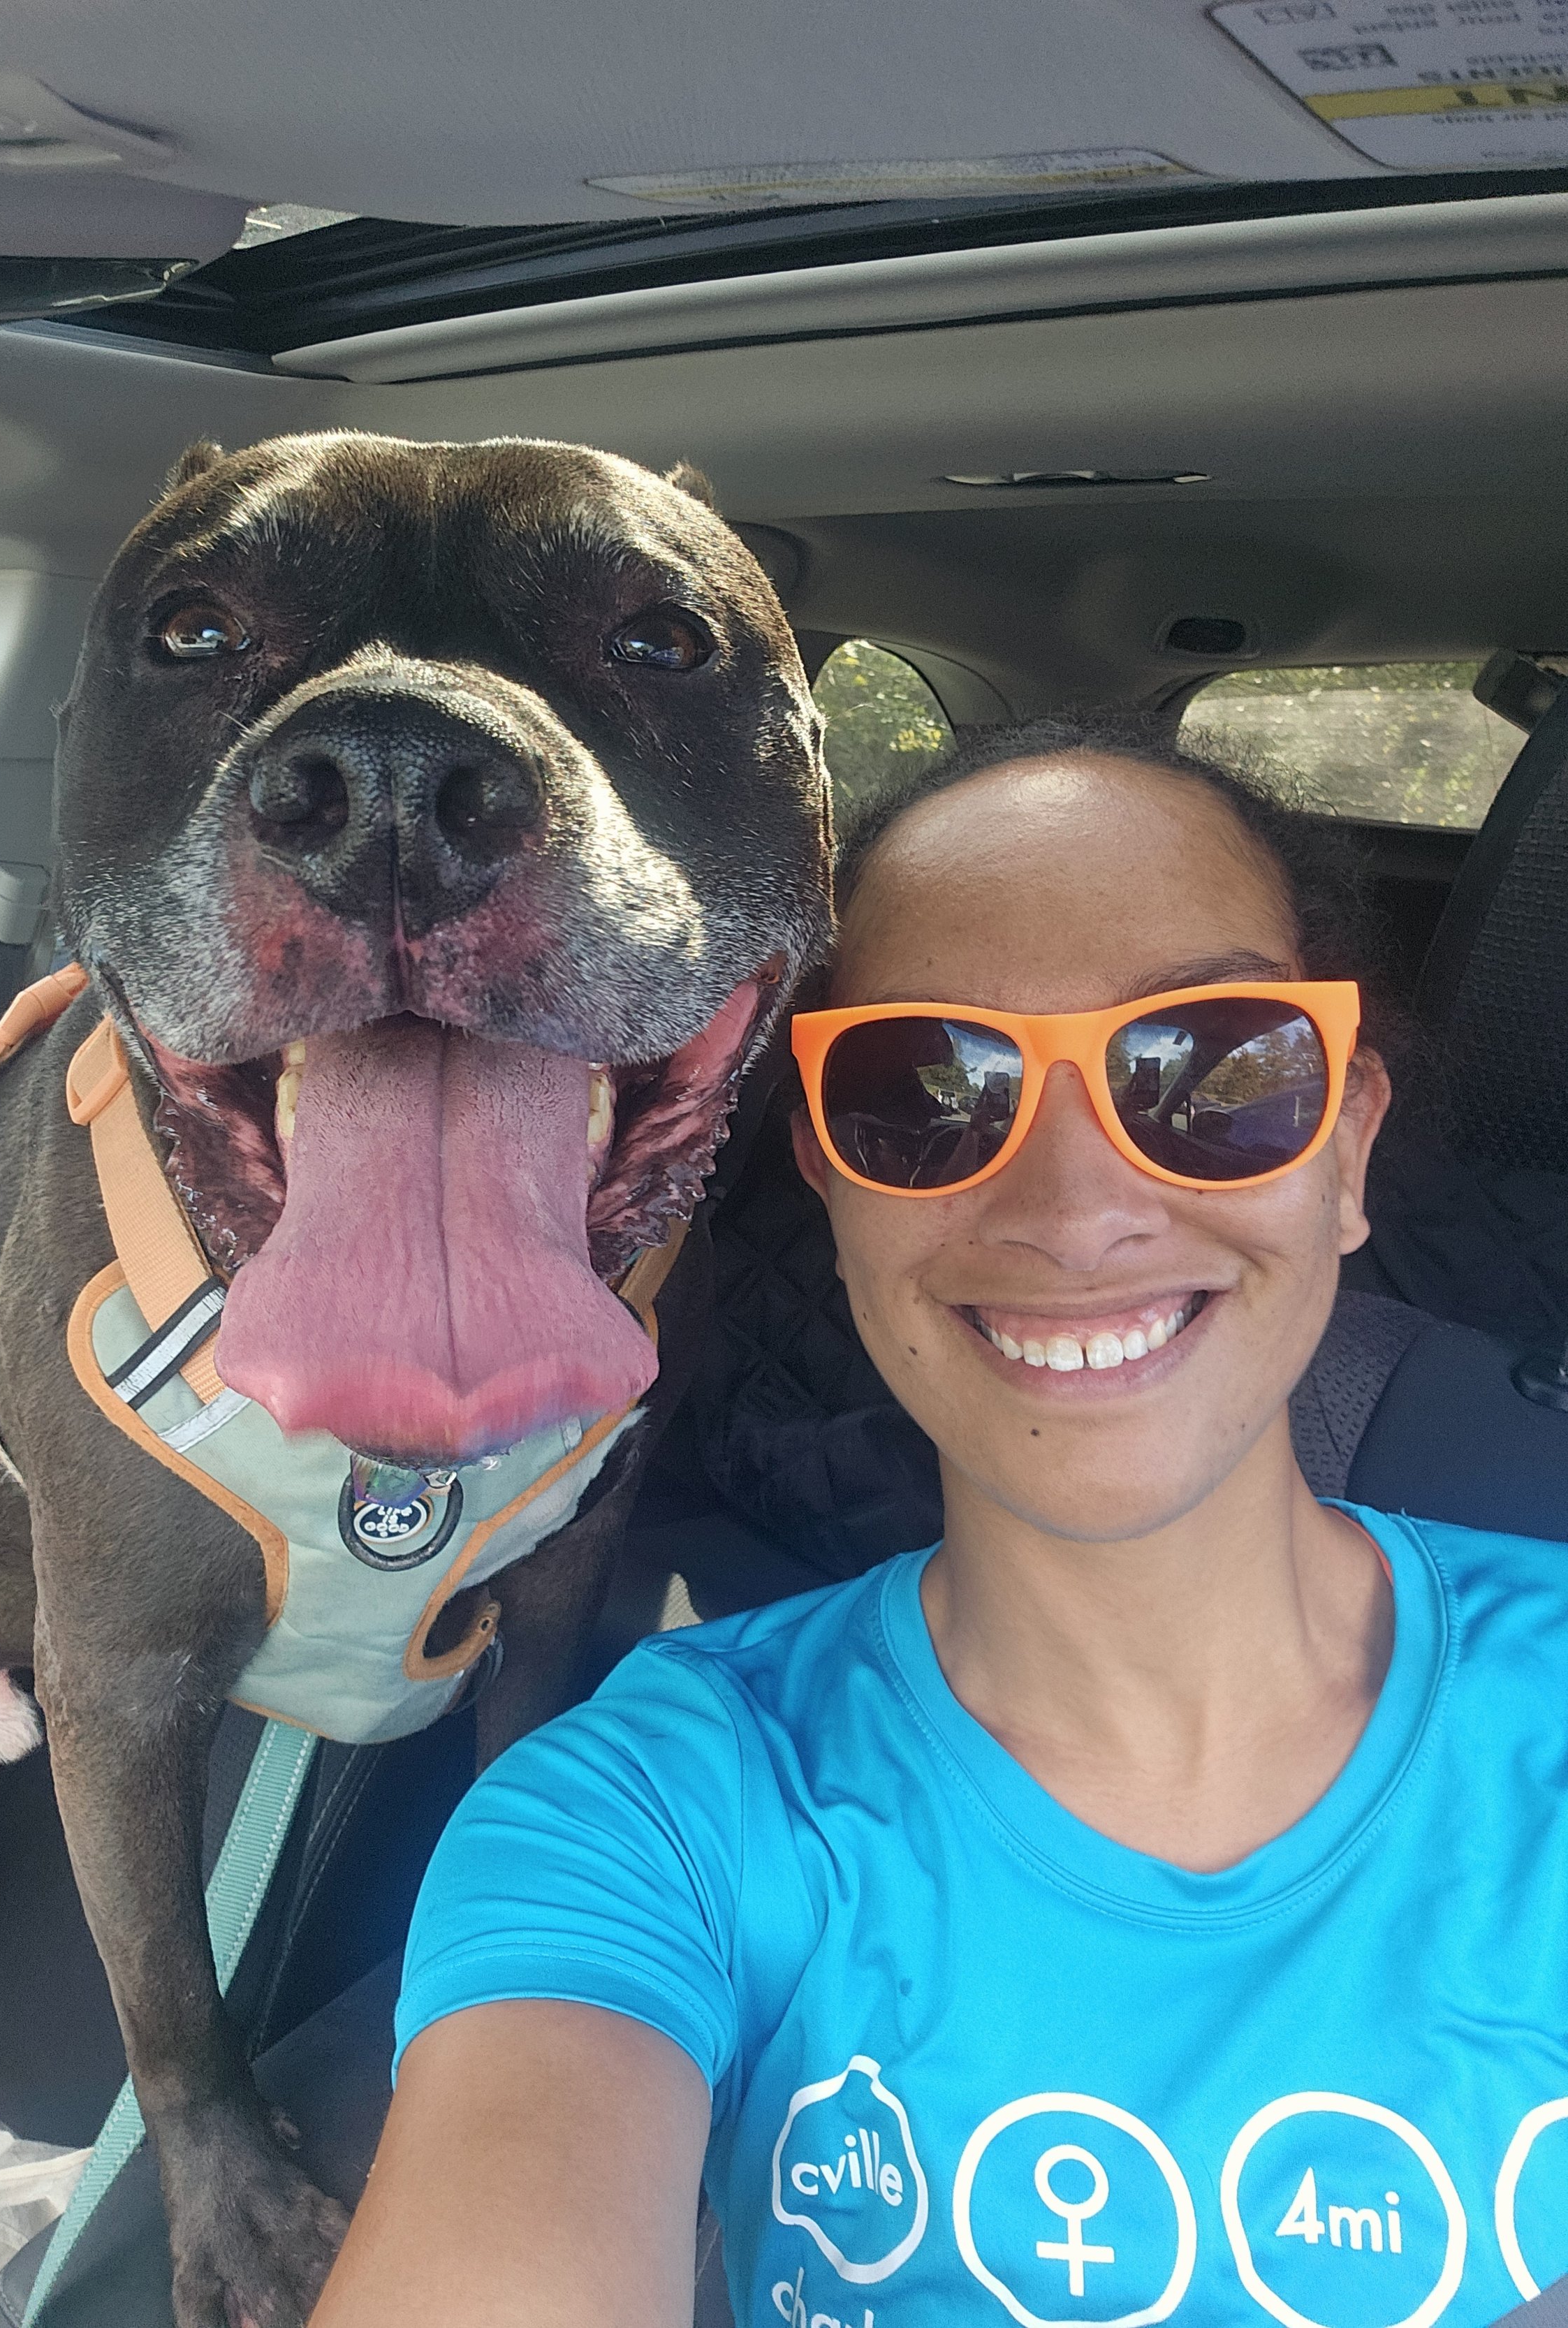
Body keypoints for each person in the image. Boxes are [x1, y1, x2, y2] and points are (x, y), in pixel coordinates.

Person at [312, 717, 1568, 2327]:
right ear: (830, 1180)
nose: (1074, 1209)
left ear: (1343, 1143)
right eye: (925, 1089)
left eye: (1204, 1068)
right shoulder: (652, 1808)